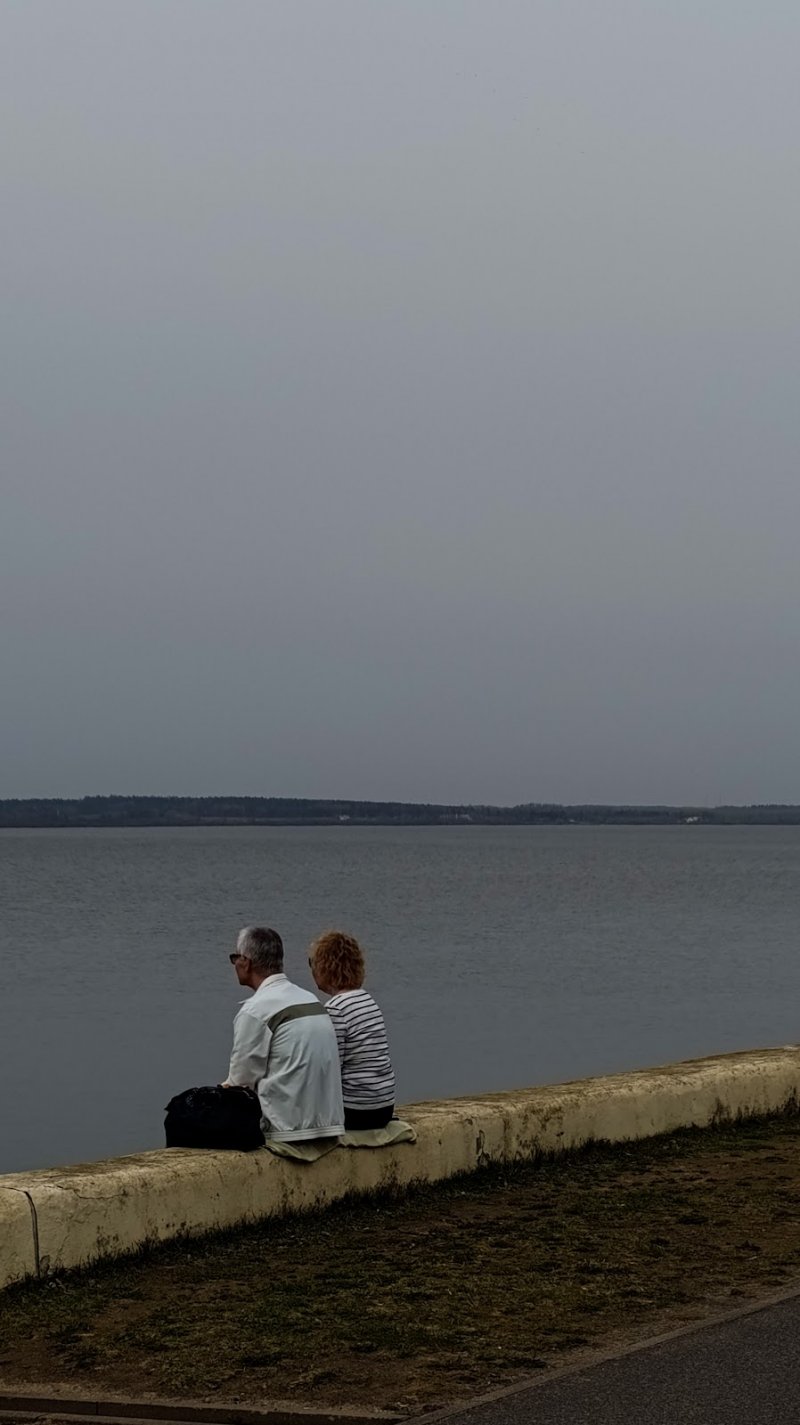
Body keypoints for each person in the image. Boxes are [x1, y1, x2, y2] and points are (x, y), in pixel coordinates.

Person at [224, 925, 344, 1142]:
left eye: (235, 958)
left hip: (285, 1130)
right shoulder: (311, 1000)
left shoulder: (255, 1011)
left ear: (245, 962)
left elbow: (240, 1084)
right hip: (330, 1126)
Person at [308, 930, 395, 1130]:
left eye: (312, 963)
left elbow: (330, 1068)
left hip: (356, 1111)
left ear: (324, 967)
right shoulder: (368, 1001)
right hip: (384, 1107)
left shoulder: (336, 1009)